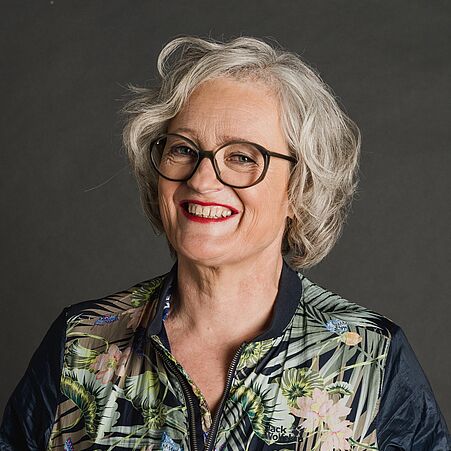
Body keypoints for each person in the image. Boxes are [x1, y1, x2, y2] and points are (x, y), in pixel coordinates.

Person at [0, 35, 449, 451]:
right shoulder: (80, 343)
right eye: (183, 149)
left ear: (300, 189)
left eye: (241, 157)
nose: (201, 179)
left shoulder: (370, 356)